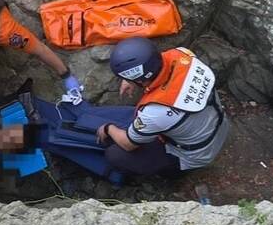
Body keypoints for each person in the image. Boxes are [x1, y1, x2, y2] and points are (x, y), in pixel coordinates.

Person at [96, 37, 229, 177]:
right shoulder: (183, 54)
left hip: (196, 155)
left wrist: (107, 128)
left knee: (114, 154)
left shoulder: (155, 113)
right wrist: (132, 78)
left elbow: (128, 144)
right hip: (218, 125)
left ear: (140, 79)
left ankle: (172, 175)